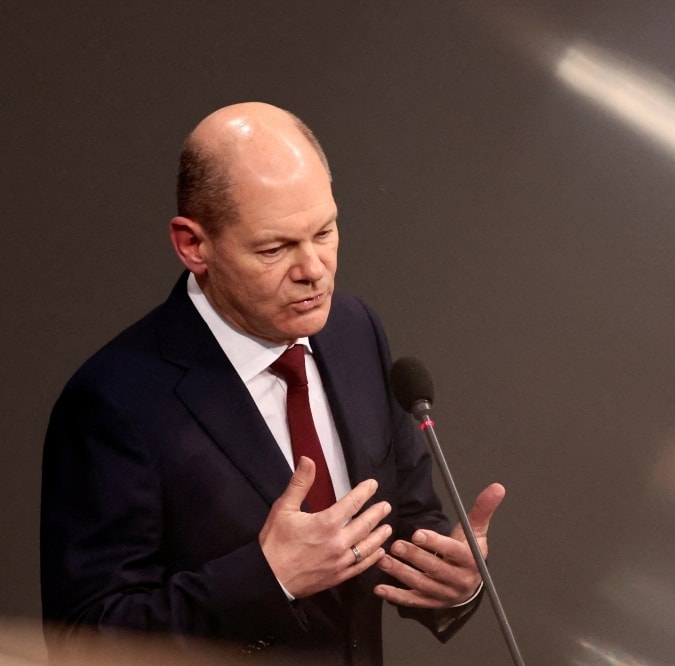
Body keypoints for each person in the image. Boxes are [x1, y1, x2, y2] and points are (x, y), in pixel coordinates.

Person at [40, 102, 505, 665]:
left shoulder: (354, 331)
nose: (315, 268)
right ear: (194, 245)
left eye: (325, 232)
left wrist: (452, 579)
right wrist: (267, 579)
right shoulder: (115, 402)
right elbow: (82, 645)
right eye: (275, 248)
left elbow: (404, 519)